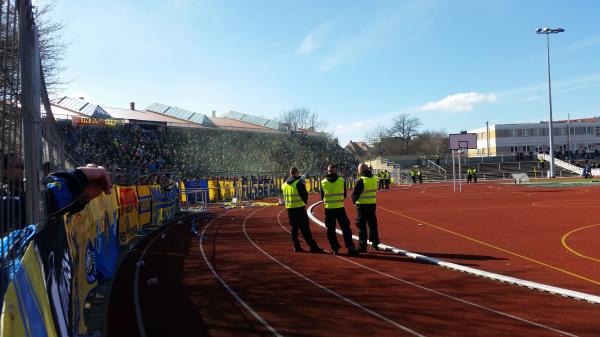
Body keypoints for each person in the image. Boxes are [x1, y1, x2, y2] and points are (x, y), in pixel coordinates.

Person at [282, 167, 325, 253]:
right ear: (297, 173)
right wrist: (304, 202)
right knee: (305, 229)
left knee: (294, 228)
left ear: (290, 173)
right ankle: (313, 246)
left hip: (290, 209)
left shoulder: (284, 185)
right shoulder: (298, 183)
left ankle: (296, 246)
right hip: (299, 209)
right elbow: (304, 195)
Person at [321, 165, 359, 256]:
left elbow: (322, 197)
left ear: (328, 171)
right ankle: (350, 247)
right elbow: (345, 194)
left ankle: (335, 249)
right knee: (345, 228)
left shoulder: (323, 182)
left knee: (330, 230)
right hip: (339, 208)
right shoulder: (341, 180)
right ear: (335, 171)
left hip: (329, 209)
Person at [352, 163, 380, 252]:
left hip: (362, 205)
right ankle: (375, 243)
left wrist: (354, 200)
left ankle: (362, 245)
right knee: (372, 224)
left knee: (361, 225)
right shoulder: (374, 178)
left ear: (361, 170)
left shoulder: (361, 180)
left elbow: (355, 194)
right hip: (372, 204)